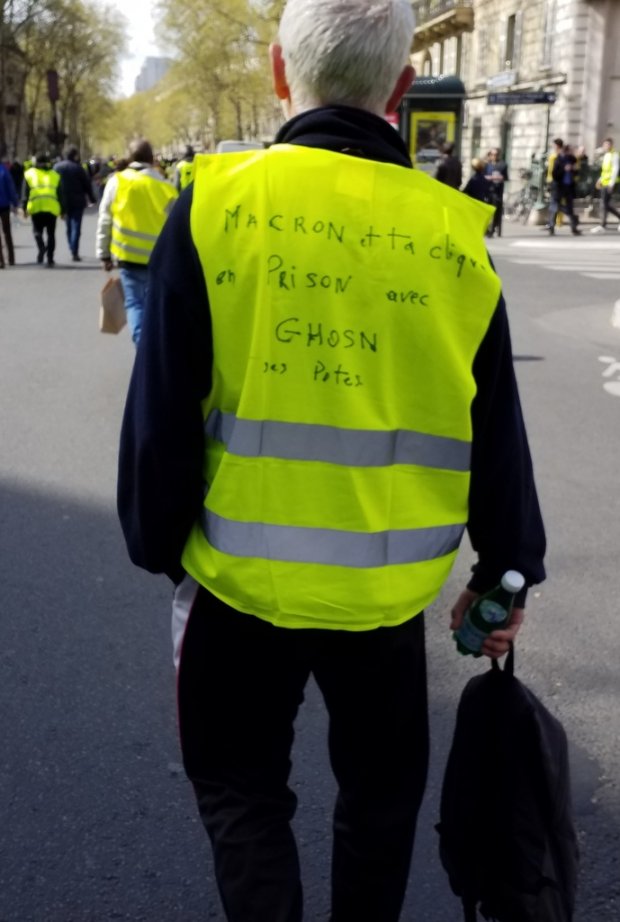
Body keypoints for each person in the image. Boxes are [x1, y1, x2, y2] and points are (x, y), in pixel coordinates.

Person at [117, 2, 546, 920]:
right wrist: (507, 572)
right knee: (380, 809)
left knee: (241, 793)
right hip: (384, 602)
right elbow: (496, 426)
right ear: (400, 88)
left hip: (237, 588)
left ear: (278, 73)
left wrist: (157, 541)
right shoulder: (451, 233)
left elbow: (161, 411)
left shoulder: (217, 206)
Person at [95, 138, 178, 344]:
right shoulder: (164, 186)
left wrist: (103, 253)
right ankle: (156, 349)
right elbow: (176, 225)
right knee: (155, 306)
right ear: (152, 159)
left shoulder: (118, 181)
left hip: (128, 256)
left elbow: (105, 219)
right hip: (158, 259)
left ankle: (142, 345)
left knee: (134, 304)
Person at [54, 145, 96, 261]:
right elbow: (86, 184)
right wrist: (92, 198)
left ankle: (71, 246)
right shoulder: (78, 168)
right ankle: (74, 250)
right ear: (75, 156)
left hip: (63, 200)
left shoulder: (57, 167)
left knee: (68, 226)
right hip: (78, 200)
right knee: (76, 225)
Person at [22, 151, 64, 267]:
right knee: (51, 234)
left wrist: (24, 208)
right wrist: (63, 210)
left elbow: (25, 193)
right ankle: (50, 258)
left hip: (36, 207)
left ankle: (41, 247)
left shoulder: (29, 174)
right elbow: (60, 194)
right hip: (52, 208)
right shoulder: (55, 175)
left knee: (37, 231)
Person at [546, 141, 581, 236]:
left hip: (568, 187)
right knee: (555, 207)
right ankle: (551, 227)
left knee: (569, 207)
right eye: (570, 151)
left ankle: (574, 228)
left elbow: (576, 172)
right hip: (558, 187)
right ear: (565, 151)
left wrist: (573, 169)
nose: (571, 153)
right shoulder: (559, 160)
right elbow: (554, 174)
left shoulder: (572, 160)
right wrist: (564, 169)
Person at [590, 137, 620, 233]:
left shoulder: (614, 155)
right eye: (605, 145)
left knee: (604, 204)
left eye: (607, 144)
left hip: (610, 183)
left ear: (611, 145)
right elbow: (605, 171)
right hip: (605, 182)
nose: (606, 146)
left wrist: (611, 183)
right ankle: (603, 224)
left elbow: (615, 170)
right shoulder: (606, 155)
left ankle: (602, 225)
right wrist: (600, 180)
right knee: (605, 204)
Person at [484, 147, 509, 237]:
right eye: (492, 155)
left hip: (497, 191)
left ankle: (493, 228)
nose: (494, 156)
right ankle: (487, 228)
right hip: (488, 190)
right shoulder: (487, 165)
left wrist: (499, 178)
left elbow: (506, 177)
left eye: (496, 155)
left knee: (496, 210)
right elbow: (482, 175)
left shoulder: (502, 165)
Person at [0, 156, 19, 267]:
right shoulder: (4, 170)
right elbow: (10, 188)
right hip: (4, 205)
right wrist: (15, 203)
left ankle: (1, 260)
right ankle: (11, 258)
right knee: (7, 232)